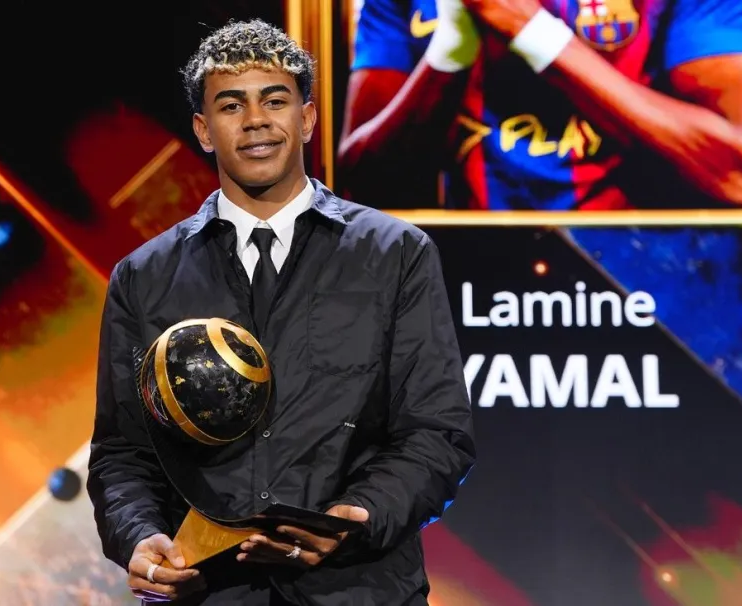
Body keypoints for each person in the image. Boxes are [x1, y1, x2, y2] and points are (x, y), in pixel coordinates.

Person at [86, 18, 476, 605]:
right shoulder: (144, 277)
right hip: (209, 594)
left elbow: (436, 433)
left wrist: (359, 519)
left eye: (275, 100)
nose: (256, 121)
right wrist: (140, 537)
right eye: (231, 105)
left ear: (308, 118)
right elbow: (122, 452)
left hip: (358, 589)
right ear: (203, 130)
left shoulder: (395, 254)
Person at [337, 0, 742, 210]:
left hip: (654, 296)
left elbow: (739, 173)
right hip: (468, 296)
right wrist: (451, 50)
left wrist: (534, 34)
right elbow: (364, 190)